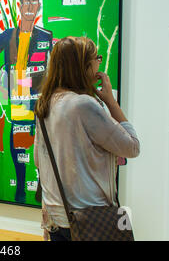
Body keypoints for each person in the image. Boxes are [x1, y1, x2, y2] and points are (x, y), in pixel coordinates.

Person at [33, 36, 140, 241]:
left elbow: (39, 160)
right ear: (84, 66)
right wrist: (110, 101)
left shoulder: (44, 103)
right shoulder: (84, 105)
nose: (99, 63)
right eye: (96, 58)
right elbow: (133, 147)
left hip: (56, 218)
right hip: (89, 220)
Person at [0, 0, 53, 203]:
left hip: (40, 97)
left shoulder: (45, 36)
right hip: (18, 95)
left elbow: (52, 64)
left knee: (42, 141)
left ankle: (42, 184)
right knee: (19, 141)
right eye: (27, 1)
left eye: (35, 1)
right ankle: (21, 188)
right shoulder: (8, 36)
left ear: (39, 6)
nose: (31, 6)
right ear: (20, 6)